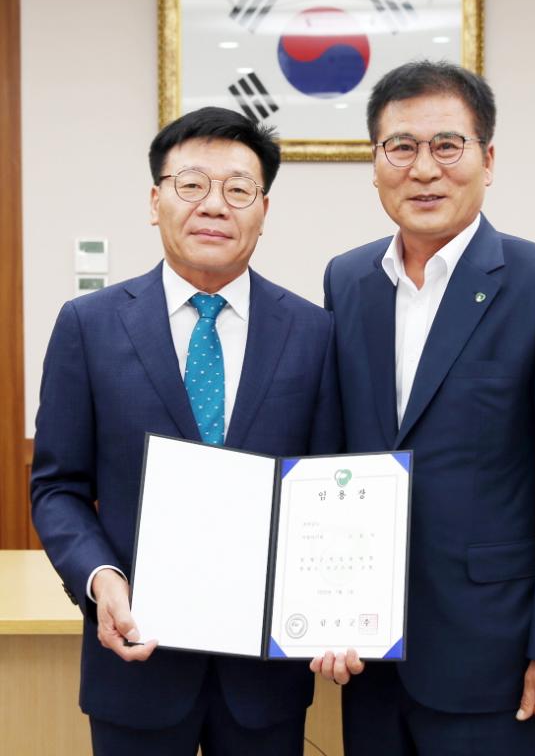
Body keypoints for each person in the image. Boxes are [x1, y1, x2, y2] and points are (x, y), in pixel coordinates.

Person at [312, 60, 535, 756]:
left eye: (447, 145)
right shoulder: (347, 279)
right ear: (375, 163)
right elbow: (336, 459)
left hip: (499, 658)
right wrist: (324, 609)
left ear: (488, 160)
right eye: (401, 147)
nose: (424, 169)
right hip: (372, 657)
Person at [31, 106, 341, 756]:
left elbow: (328, 488)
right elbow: (58, 487)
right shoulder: (88, 326)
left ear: (263, 210)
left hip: (265, 676)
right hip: (135, 662)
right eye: (192, 184)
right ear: (155, 201)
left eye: (238, 189)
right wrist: (100, 577)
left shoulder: (315, 333)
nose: (214, 205)